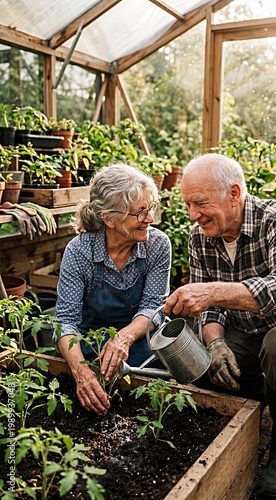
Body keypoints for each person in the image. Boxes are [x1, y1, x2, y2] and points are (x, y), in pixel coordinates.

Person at [163, 153, 276, 498]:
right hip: (243, 329)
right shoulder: (199, 236)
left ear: (234, 193)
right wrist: (214, 343)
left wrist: (212, 291)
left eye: (199, 203)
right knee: (202, 366)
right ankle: (246, 422)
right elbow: (207, 310)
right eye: (187, 204)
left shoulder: (273, 220)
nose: (193, 215)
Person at [55, 163, 171, 416]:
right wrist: (81, 372)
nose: (149, 219)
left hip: (138, 341)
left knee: (160, 366)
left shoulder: (158, 245)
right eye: (140, 212)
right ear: (109, 218)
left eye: (150, 208)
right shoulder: (79, 251)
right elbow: (66, 321)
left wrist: (123, 338)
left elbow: (153, 308)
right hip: (90, 344)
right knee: (86, 373)